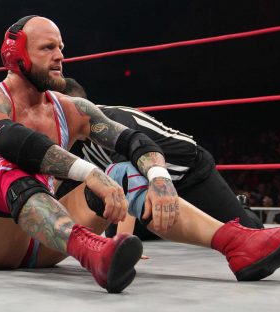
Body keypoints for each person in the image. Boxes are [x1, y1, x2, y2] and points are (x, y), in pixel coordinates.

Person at [0, 15, 280, 293]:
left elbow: (134, 141)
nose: (60, 56)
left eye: (61, 47)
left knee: (126, 171)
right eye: (48, 48)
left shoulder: (69, 108)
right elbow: (15, 141)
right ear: (16, 55)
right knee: (4, 164)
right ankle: (93, 252)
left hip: (49, 240)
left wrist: (159, 179)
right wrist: (89, 173)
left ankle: (238, 244)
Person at [58, 77, 264, 240]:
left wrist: (122, 244)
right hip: (148, 189)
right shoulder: (77, 141)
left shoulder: (111, 121)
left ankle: (243, 209)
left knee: (247, 232)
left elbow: (127, 177)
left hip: (188, 174)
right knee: (127, 229)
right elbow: (56, 177)